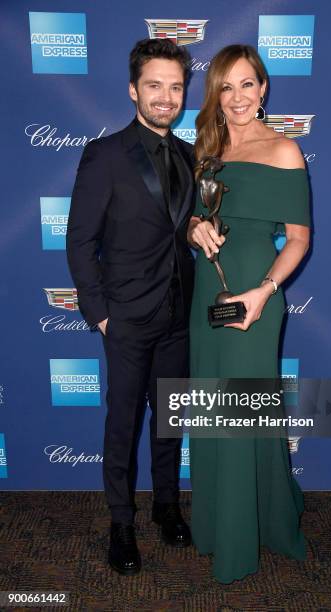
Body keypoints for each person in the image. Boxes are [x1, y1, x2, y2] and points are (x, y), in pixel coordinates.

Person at [66, 38, 195, 576]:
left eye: (175, 87)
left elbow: (177, 227)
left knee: (168, 421)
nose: (165, 98)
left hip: (179, 316)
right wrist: (100, 312)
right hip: (125, 318)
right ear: (132, 90)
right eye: (154, 86)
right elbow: (79, 241)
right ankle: (122, 525)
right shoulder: (106, 154)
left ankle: (167, 506)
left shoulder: (190, 155)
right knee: (123, 425)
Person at [187, 44, 311, 583]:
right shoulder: (207, 150)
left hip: (256, 297)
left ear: (263, 91)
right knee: (215, 411)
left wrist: (263, 291)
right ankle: (221, 523)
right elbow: (196, 214)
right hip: (205, 296)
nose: (236, 97)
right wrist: (193, 227)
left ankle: (241, 545)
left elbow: (299, 240)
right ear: (215, 93)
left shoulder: (285, 151)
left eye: (247, 84)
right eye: (225, 86)